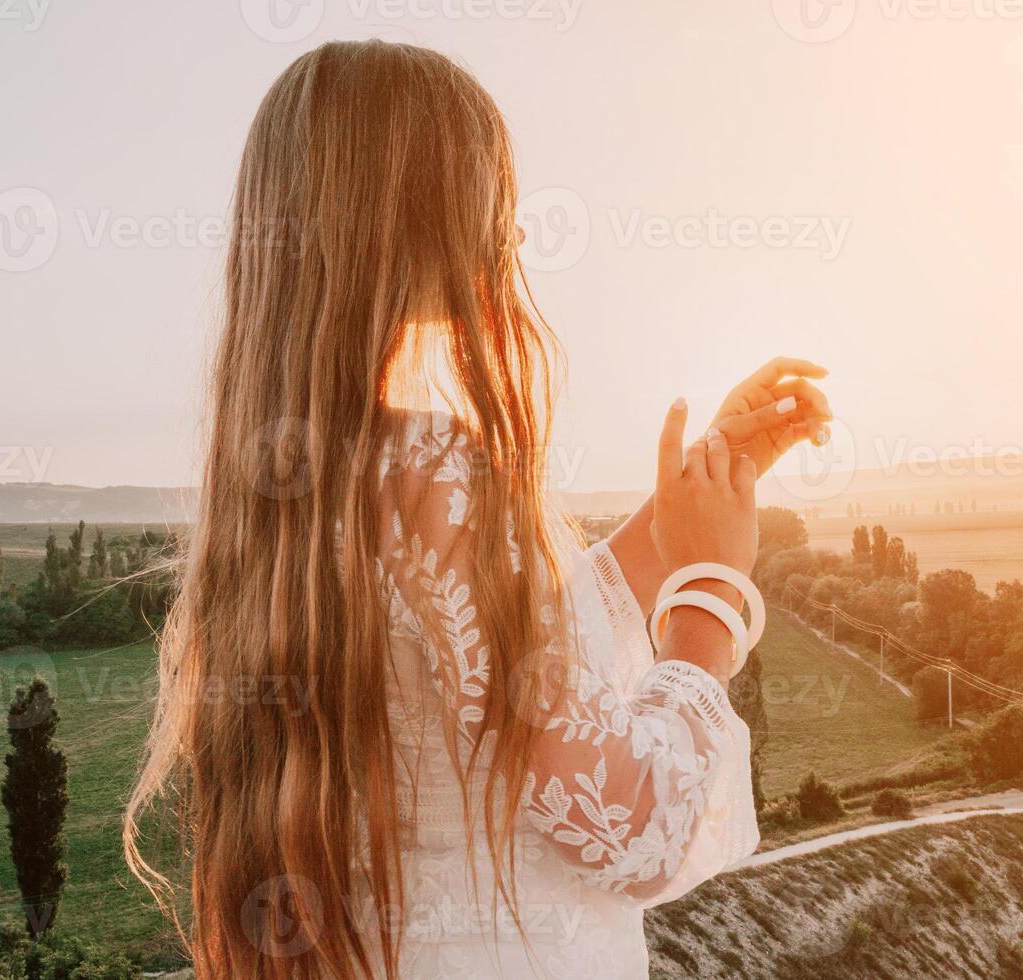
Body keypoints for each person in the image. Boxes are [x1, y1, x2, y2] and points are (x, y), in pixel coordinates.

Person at [124, 39, 832, 979]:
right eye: (491, 195)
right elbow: (633, 826)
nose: (516, 235)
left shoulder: (286, 494)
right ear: (414, 214)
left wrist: (670, 523)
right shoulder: (436, 466)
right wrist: (708, 592)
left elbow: (511, 665)